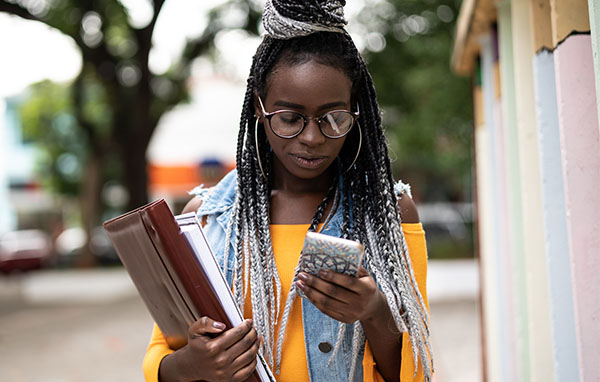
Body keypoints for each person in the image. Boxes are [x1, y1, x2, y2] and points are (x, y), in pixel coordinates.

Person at [143, 1, 432, 381]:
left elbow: (416, 372)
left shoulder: (389, 213)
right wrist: (193, 365)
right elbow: (160, 355)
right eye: (290, 118)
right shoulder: (209, 217)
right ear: (259, 110)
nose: (312, 138)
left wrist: (374, 311)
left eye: (334, 118)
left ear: (355, 112)